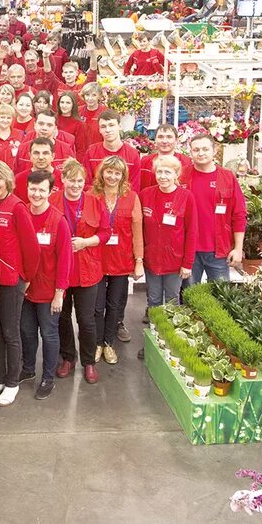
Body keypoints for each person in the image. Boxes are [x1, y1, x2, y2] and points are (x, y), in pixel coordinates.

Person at [0, 160, 40, 406]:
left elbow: (32, 249)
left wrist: (25, 278)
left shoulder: (17, 207)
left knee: (10, 332)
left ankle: (13, 381)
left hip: (10, 281)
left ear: (7, 180)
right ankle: (1, 377)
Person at [140, 155, 197, 360]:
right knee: (153, 300)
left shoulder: (186, 197)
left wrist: (187, 263)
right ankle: (154, 341)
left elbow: (192, 232)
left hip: (175, 262)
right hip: (152, 260)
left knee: (172, 300)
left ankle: (170, 342)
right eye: (159, 172)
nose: (162, 176)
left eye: (167, 172)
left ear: (176, 174)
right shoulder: (145, 195)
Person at [22, 170, 71, 400]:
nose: (36, 194)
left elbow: (65, 259)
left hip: (48, 290)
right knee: (27, 332)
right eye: (33, 189)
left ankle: (48, 377)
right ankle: (29, 369)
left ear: (51, 191)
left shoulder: (58, 220)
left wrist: (59, 293)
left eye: (42, 189)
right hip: (24, 290)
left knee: (49, 334)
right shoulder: (21, 214)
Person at [54, 160, 105, 384]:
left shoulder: (94, 202)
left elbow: (105, 232)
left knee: (87, 320)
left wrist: (86, 242)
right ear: (62, 179)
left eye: (80, 181)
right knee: (62, 318)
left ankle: (88, 362)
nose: (75, 185)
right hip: (60, 272)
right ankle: (68, 357)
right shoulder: (52, 201)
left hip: (87, 270)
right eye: (71, 180)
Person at [94, 156, 145, 366]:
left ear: (123, 176)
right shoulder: (92, 195)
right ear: (102, 173)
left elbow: (137, 231)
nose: (112, 176)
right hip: (96, 259)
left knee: (114, 305)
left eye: (117, 173)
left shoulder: (132, 197)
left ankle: (108, 343)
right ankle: (96, 343)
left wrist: (139, 260)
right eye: (109, 172)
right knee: (96, 307)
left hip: (121, 261)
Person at [187, 134, 247, 284]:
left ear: (214, 151)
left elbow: (239, 214)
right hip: (189, 251)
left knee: (220, 296)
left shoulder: (227, 177)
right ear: (191, 152)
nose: (201, 153)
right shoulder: (182, 176)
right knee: (188, 296)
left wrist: (238, 249)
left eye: (205, 149)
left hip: (218, 251)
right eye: (196, 150)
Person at [85, 110, 141, 183]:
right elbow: (86, 184)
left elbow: (134, 187)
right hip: (96, 193)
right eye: (103, 126)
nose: (107, 130)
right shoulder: (91, 152)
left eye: (111, 125)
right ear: (99, 130)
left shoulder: (133, 154)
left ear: (120, 126)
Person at [139, 124, 193, 190]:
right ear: (155, 140)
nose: (164, 141)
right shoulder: (145, 161)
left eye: (169, 137)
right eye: (160, 137)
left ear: (176, 140)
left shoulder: (186, 162)